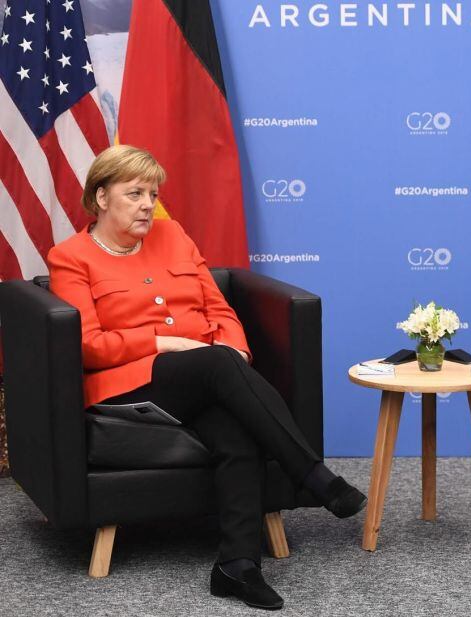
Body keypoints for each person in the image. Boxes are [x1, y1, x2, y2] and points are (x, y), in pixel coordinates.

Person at [47, 145, 366, 610]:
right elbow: (88, 346)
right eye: (133, 193)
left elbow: (219, 308)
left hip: (204, 376)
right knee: (216, 364)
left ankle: (236, 566)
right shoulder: (70, 256)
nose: (146, 205)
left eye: (151, 194)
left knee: (235, 431)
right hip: (130, 382)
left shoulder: (173, 234)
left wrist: (235, 348)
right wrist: (165, 342)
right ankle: (312, 474)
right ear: (100, 197)